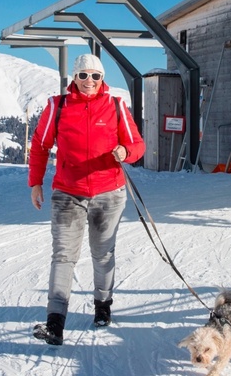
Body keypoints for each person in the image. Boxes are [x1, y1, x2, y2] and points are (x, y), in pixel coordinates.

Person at [27, 53, 145, 346]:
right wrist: (35, 183)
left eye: (95, 76)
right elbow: (40, 147)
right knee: (63, 256)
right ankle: (55, 323)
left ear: (103, 79)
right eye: (83, 75)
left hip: (109, 193)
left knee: (103, 253)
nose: (89, 81)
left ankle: (102, 307)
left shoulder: (116, 105)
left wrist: (125, 153)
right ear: (74, 79)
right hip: (68, 192)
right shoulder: (58, 106)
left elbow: (137, 145)